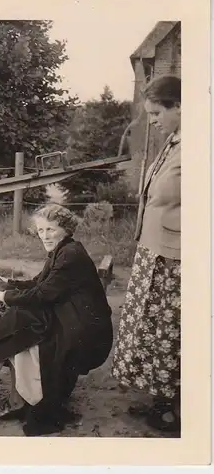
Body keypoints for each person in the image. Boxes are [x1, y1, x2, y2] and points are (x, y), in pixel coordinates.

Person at [0, 204, 113, 436]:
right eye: (41, 230)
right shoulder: (63, 249)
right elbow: (39, 282)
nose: (45, 236)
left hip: (84, 329)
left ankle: (4, 386)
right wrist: (8, 284)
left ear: (65, 229)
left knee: (22, 320)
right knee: (20, 316)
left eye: (51, 230)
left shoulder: (70, 254)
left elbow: (43, 294)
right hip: (71, 315)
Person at [111, 75, 181, 433]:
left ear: (180, 106)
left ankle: (173, 412)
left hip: (176, 260)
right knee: (151, 331)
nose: (152, 121)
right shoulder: (173, 141)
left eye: (156, 113)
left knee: (169, 334)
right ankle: (161, 401)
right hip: (154, 252)